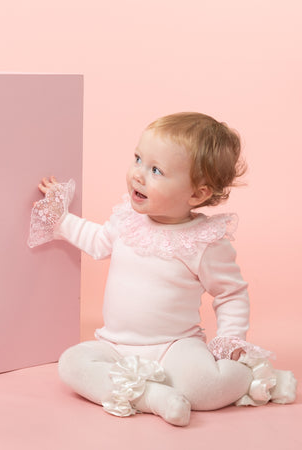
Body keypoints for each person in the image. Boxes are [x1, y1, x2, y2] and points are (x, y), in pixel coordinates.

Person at [28, 112, 296, 426]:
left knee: (204, 388)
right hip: (114, 345)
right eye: (138, 159)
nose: (138, 175)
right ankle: (151, 398)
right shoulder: (128, 218)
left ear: (197, 194)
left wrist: (230, 340)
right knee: (72, 364)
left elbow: (231, 293)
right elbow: (98, 241)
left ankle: (254, 378)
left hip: (175, 346)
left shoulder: (204, 242)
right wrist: (60, 219)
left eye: (156, 170)